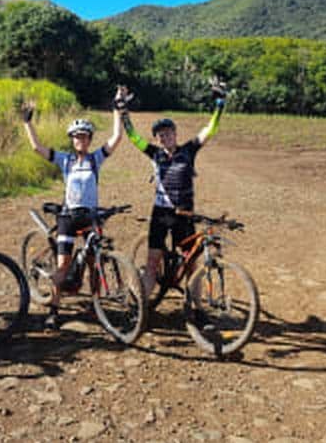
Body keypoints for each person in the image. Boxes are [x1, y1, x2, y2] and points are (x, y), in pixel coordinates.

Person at [22, 91, 124, 329]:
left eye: (85, 137)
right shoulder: (65, 160)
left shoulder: (95, 159)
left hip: (90, 216)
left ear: (89, 139)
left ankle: (96, 304)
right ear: (72, 140)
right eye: (77, 137)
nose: (81, 140)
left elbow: (117, 137)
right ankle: (55, 308)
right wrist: (28, 122)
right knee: (62, 265)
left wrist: (117, 107)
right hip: (68, 217)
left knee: (93, 262)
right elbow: (37, 148)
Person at [119, 80, 226, 298]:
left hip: (185, 214)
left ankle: (195, 309)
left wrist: (219, 104)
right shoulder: (154, 153)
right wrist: (123, 111)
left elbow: (210, 129)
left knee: (191, 266)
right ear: (157, 139)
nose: (165, 137)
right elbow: (132, 136)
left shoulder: (189, 150)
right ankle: (140, 309)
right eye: (160, 135)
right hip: (161, 214)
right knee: (152, 263)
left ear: (175, 134)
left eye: (168, 133)